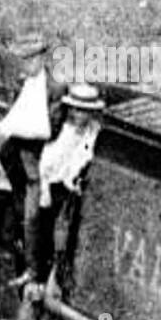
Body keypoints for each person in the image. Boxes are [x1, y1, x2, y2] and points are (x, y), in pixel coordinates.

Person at [0, 34, 66, 284]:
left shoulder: (54, 87)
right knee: (17, 211)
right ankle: (20, 259)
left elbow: (53, 128)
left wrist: (27, 131)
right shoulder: (23, 83)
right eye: (22, 61)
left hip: (40, 160)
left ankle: (34, 271)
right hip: (19, 159)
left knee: (32, 216)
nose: (25, 66)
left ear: (40, 58)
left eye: (29, 60)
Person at [37, 83, 106, 289]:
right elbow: (46, 164)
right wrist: (45, 190)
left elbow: (86, 158)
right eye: (75, 109)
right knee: (50, 232)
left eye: (84, 110)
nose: (79, 115)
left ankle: (62, 274)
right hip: (56, 188)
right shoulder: (63, 131)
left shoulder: (93, 133)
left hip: (77, 188)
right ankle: (45, 276)